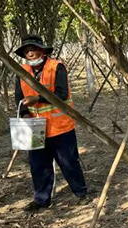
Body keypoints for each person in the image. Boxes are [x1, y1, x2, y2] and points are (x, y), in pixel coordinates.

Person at [14, 34, 89, 212]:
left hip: (60, 126)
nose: (30, 53)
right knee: (38, 165)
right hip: (34, 127)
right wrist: (25, 114)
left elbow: (61, 94)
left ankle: (81, 193)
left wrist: (37, 99)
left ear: (42, 51)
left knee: (68, 162)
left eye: (33, 49)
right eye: (26, 51)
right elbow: (19, 98)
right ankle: (41, 200)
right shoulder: (21, 72)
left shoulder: (56, 67)